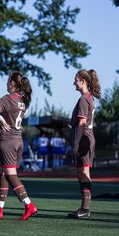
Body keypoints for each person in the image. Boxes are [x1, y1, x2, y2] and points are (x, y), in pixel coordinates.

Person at [0, 71, 37, 220]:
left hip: (7, 141)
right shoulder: (24, 100)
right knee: (2, 172)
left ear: (13, 83)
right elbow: (23, 114)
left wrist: (2, 119)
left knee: (10, 175)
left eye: (8, 80)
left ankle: (29, 205)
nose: (7, 82)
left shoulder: (8, 99)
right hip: (18, 140)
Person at [68, 69, 101, 219]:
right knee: (82, 172)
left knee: (83, 173)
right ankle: (84, 209)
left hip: (84, 138)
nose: (74, 82)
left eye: (76, 79)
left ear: (83, 81)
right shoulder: (88, 97)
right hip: (87, 137)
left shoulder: (84, 99)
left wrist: (76, 144)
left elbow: (81, 123)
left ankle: (85, 209)